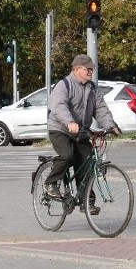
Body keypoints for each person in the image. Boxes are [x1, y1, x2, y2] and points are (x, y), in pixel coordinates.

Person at [44, 54, 119, 214]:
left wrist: (110, 126)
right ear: (77, 69)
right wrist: (69, 122)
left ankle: (87, 201)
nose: (91, 71)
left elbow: (100, 109)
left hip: (81, 131)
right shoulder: (64, 85)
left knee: (87, 163)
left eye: (92, 69)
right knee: (67, 155)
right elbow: (58, 106)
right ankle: (50, 183)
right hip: (60, 129)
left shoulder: (92, 88)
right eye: (88, 69)